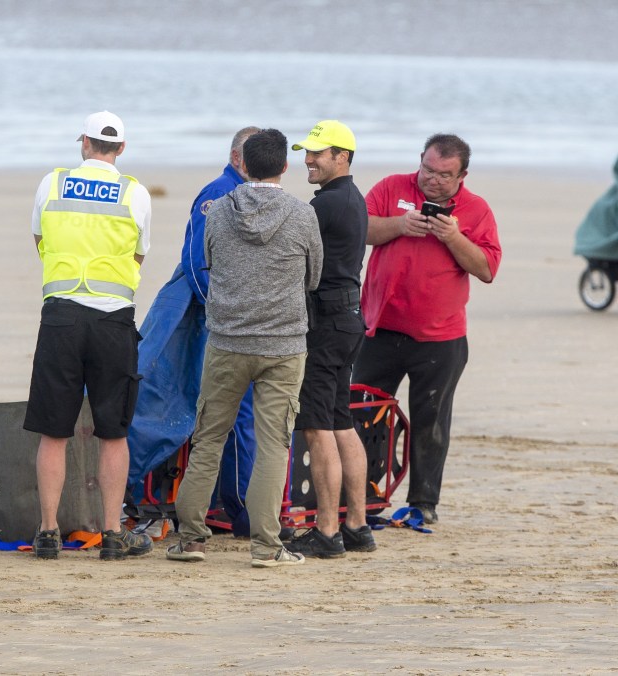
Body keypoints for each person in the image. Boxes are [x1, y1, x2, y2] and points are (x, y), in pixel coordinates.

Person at [166, 128, 323, 568]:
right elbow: (314, 278)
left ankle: (192, 539)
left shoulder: (217, 212)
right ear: (284, 167)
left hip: (228, 341)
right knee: (274, 444)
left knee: (209, 439)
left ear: (242, 164)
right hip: (283, 344)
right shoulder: (301, 215)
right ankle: (266, 546)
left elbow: (209, 263)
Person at [24, 110, 155, 561]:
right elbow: (139, 255)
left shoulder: (53, 183)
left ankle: (47, 531)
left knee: (53, 431)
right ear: (120, 150)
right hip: (112, 321)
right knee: (113, 432)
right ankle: (114, 533)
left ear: (84, 142)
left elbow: (40, 241)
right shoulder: (134, 193)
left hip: (60, 317)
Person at [353, 133, 502, 524]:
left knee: (430, 423)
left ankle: (423, 504)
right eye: (428, 170)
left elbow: (486, 268)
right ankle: (364, 500)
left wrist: (454, 237)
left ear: (462, 176)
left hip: (441, 338)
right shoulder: (391, 187)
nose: (432, 180)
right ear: (420, 160)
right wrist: (400, 225)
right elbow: (360, 231)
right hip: (379, 329)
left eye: (444, 175)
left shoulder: (476, 209)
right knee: (365, 417)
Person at [127, 127, 260, 536]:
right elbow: (197, 259)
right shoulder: (218, 193)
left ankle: (230, 505)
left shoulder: (249, 194)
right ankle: (234, 511)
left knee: (229, 413)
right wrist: (220, 314)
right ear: (238, 157)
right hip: (198, 316)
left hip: (225, 316)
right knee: (186, 406)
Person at [284, 120, 376, 559]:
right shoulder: (351, 199)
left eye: (318, 153)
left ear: (343, 157)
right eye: (307, 151)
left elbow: (286, 250)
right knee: (341, 422)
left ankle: (326, 531)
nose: (309, 159)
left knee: (318, 427)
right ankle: (357, 525)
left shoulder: (328, 205)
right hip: (348, 318)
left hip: (327, 323)